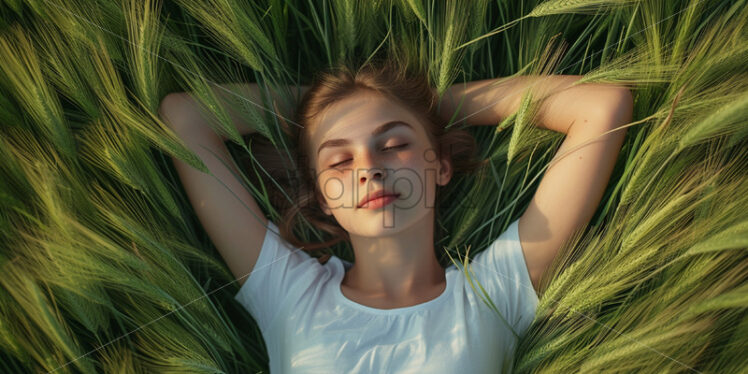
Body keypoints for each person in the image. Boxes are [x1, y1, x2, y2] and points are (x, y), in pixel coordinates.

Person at [158, 59, 631, 373]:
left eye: (395, 144)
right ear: (323, 196)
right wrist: (326, 106)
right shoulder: (287, 291)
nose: (369, 170)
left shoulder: (494, 292)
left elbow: (602, 105)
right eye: (339, 160)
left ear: (440, 164)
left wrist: (424, 104)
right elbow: (186, 117)